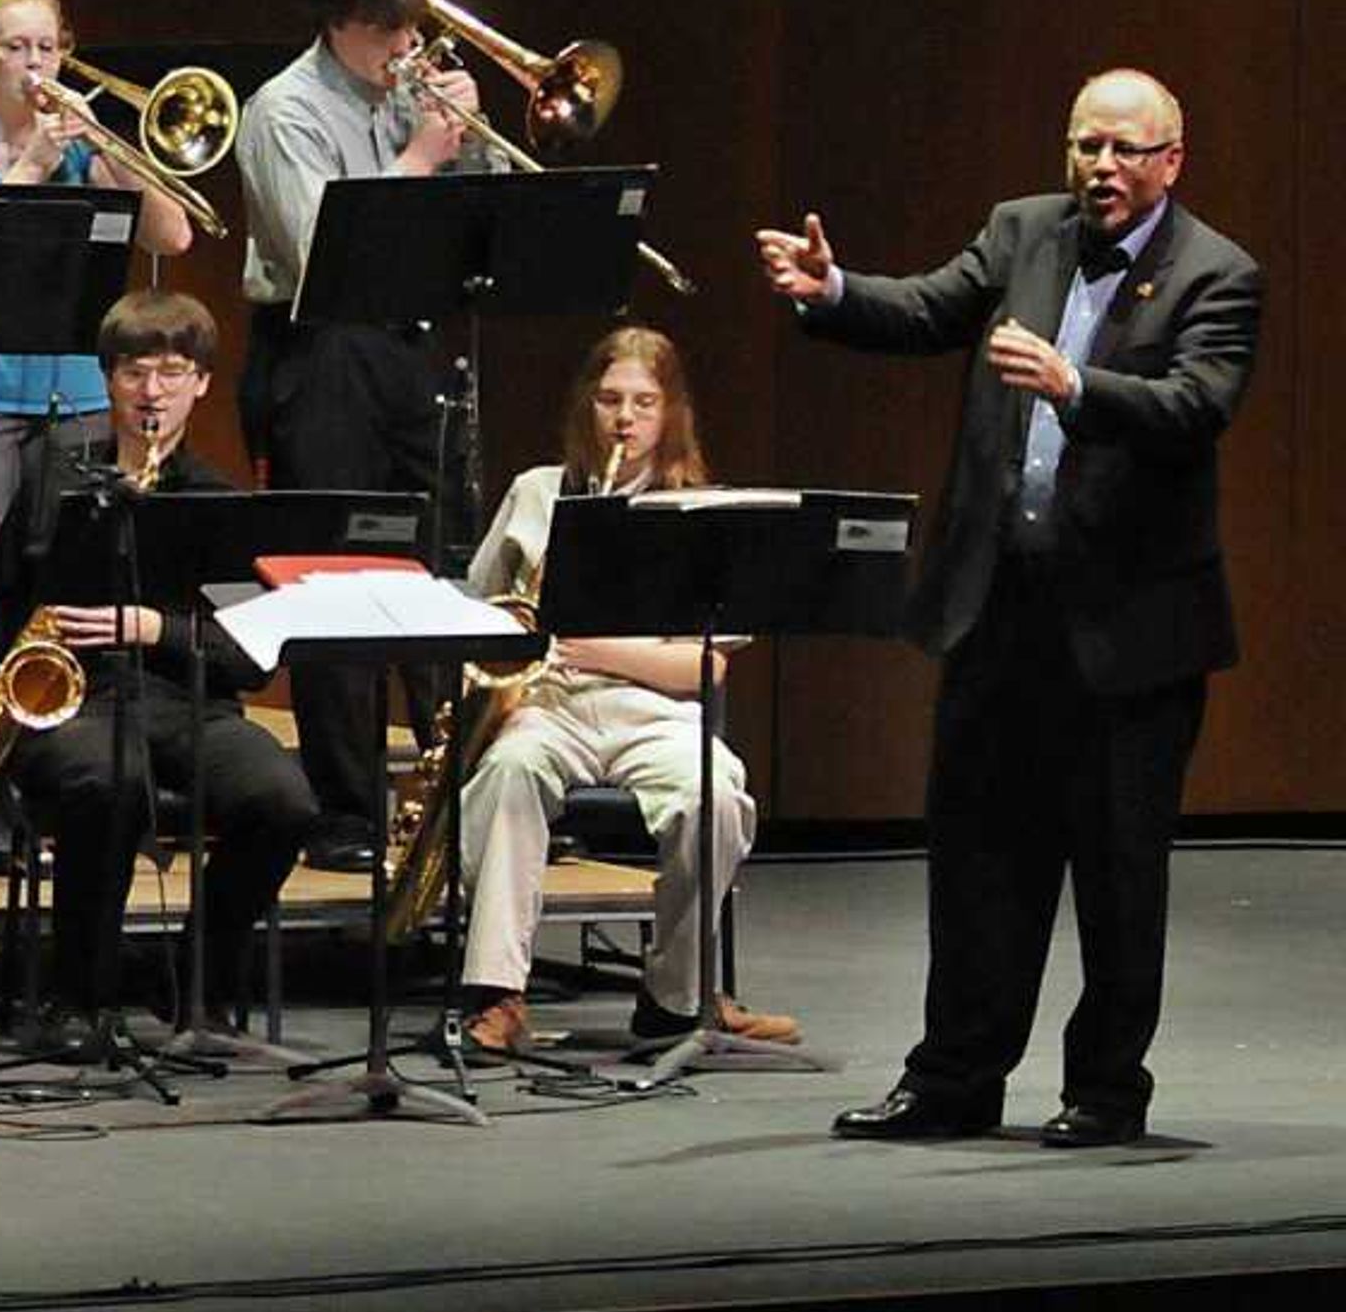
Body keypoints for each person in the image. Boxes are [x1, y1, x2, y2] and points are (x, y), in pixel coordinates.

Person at [762, 68, 1260, 1148]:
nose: (1102, 169)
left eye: (1127, 151)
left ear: (1172, 158)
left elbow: (1196, 405)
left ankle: (1105, 1091)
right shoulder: (1023, 231)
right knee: (978, 857)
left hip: (1130, 633)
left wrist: (1077, 388)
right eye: (1087, 146)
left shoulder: (1217, 274)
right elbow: (931, 306)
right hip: (1001, 612)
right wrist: (834, 289)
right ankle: (954, 1079)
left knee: (1118, 872)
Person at [0, 290, 314, 1060]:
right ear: (106, 378)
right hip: (71, 698)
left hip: (188, 700)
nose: (152, 393)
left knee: (284, 801)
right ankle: (80, 998)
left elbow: (246, 652)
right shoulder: (54, 473)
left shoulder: (218, 502)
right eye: (136, 372)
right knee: (105, 784)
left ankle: (191, 973)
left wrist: (154, 628)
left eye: (173, 374)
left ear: (203, 384)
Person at [0, 0, 194, 817]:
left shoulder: (78, 144)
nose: (37, 66)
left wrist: (112, 149)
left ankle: (45, 797)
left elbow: (172, 235)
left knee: (61, 594)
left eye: (48, 49)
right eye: (18, 49)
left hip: (74, 392)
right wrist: (31, 165)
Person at [229, 0, 491, 874]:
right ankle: (345, 808)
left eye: (409, 30)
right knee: (334, 578)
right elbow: (318, 259)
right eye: (385, 33)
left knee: (436, 568)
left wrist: (467, 144)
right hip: (319, 351)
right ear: (339, 25)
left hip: (412, 345)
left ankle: (451, 792)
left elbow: (482, 225)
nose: (403, 51)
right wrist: (420, 155)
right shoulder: (283, 109)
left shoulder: (409, 95)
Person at [452, 326, 792, 1056]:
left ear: (670, 413)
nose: (625, 418)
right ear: (587, 407)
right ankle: (498, 994)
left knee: (717, 796)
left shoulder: (697, 510)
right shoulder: (537, 493)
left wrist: (594, 645)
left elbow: (704, 670)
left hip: (655, 711)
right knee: (510, 772)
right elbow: (483, 613)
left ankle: (675, 995)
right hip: (551, 704)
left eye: (643, 401)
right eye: (609, 400)